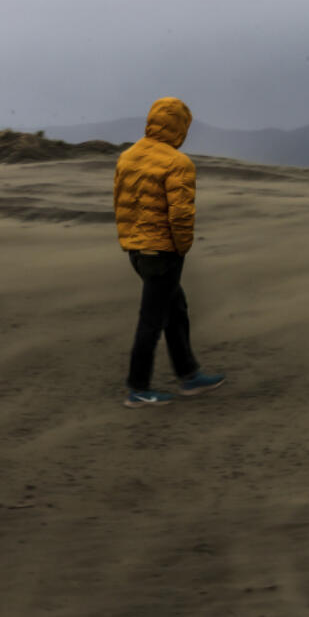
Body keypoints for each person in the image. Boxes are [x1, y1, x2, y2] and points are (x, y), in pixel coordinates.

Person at [113, 97, 225, 408]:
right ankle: (138, 389)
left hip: (136, 250)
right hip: (163, 252)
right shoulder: (177, 163)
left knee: (175, 308)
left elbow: (120, 203)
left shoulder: (127, 157)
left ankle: (189, 375)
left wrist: (131, 241)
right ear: (180, 127)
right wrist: (181, 247)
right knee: (152, 319)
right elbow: (180, 215)